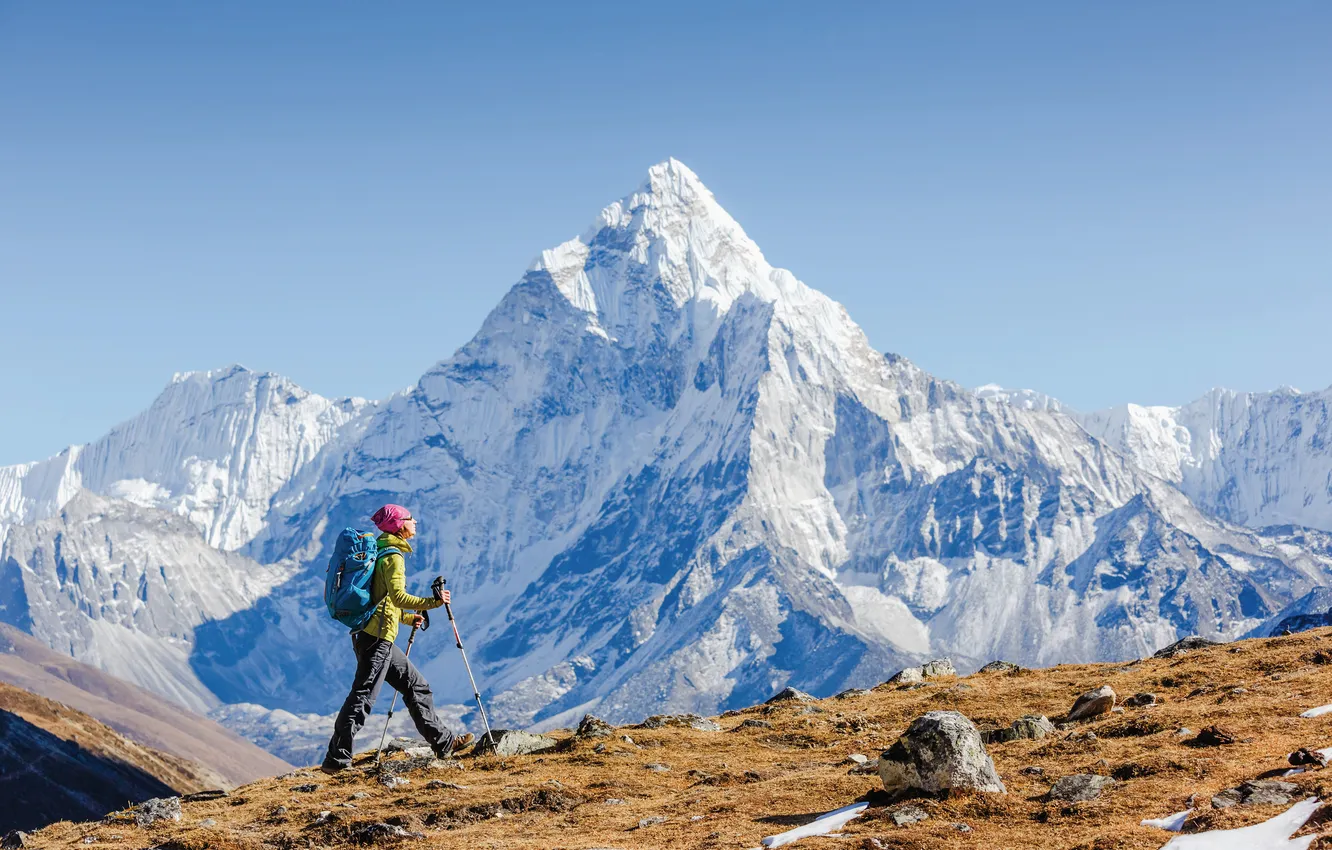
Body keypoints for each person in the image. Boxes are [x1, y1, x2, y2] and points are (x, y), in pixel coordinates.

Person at [321, 504, 474, 773]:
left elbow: (383, 600)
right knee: (362, 697)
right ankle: (336, 760)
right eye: (410, 519)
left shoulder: (382, 550)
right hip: (377, 639)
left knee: (416, 686)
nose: (415, 522)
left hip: (373, 635)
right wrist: (434, 602)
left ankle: (444, 742)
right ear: (399, 525)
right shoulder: (393, 557)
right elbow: (398, 597)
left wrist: (407, 618)